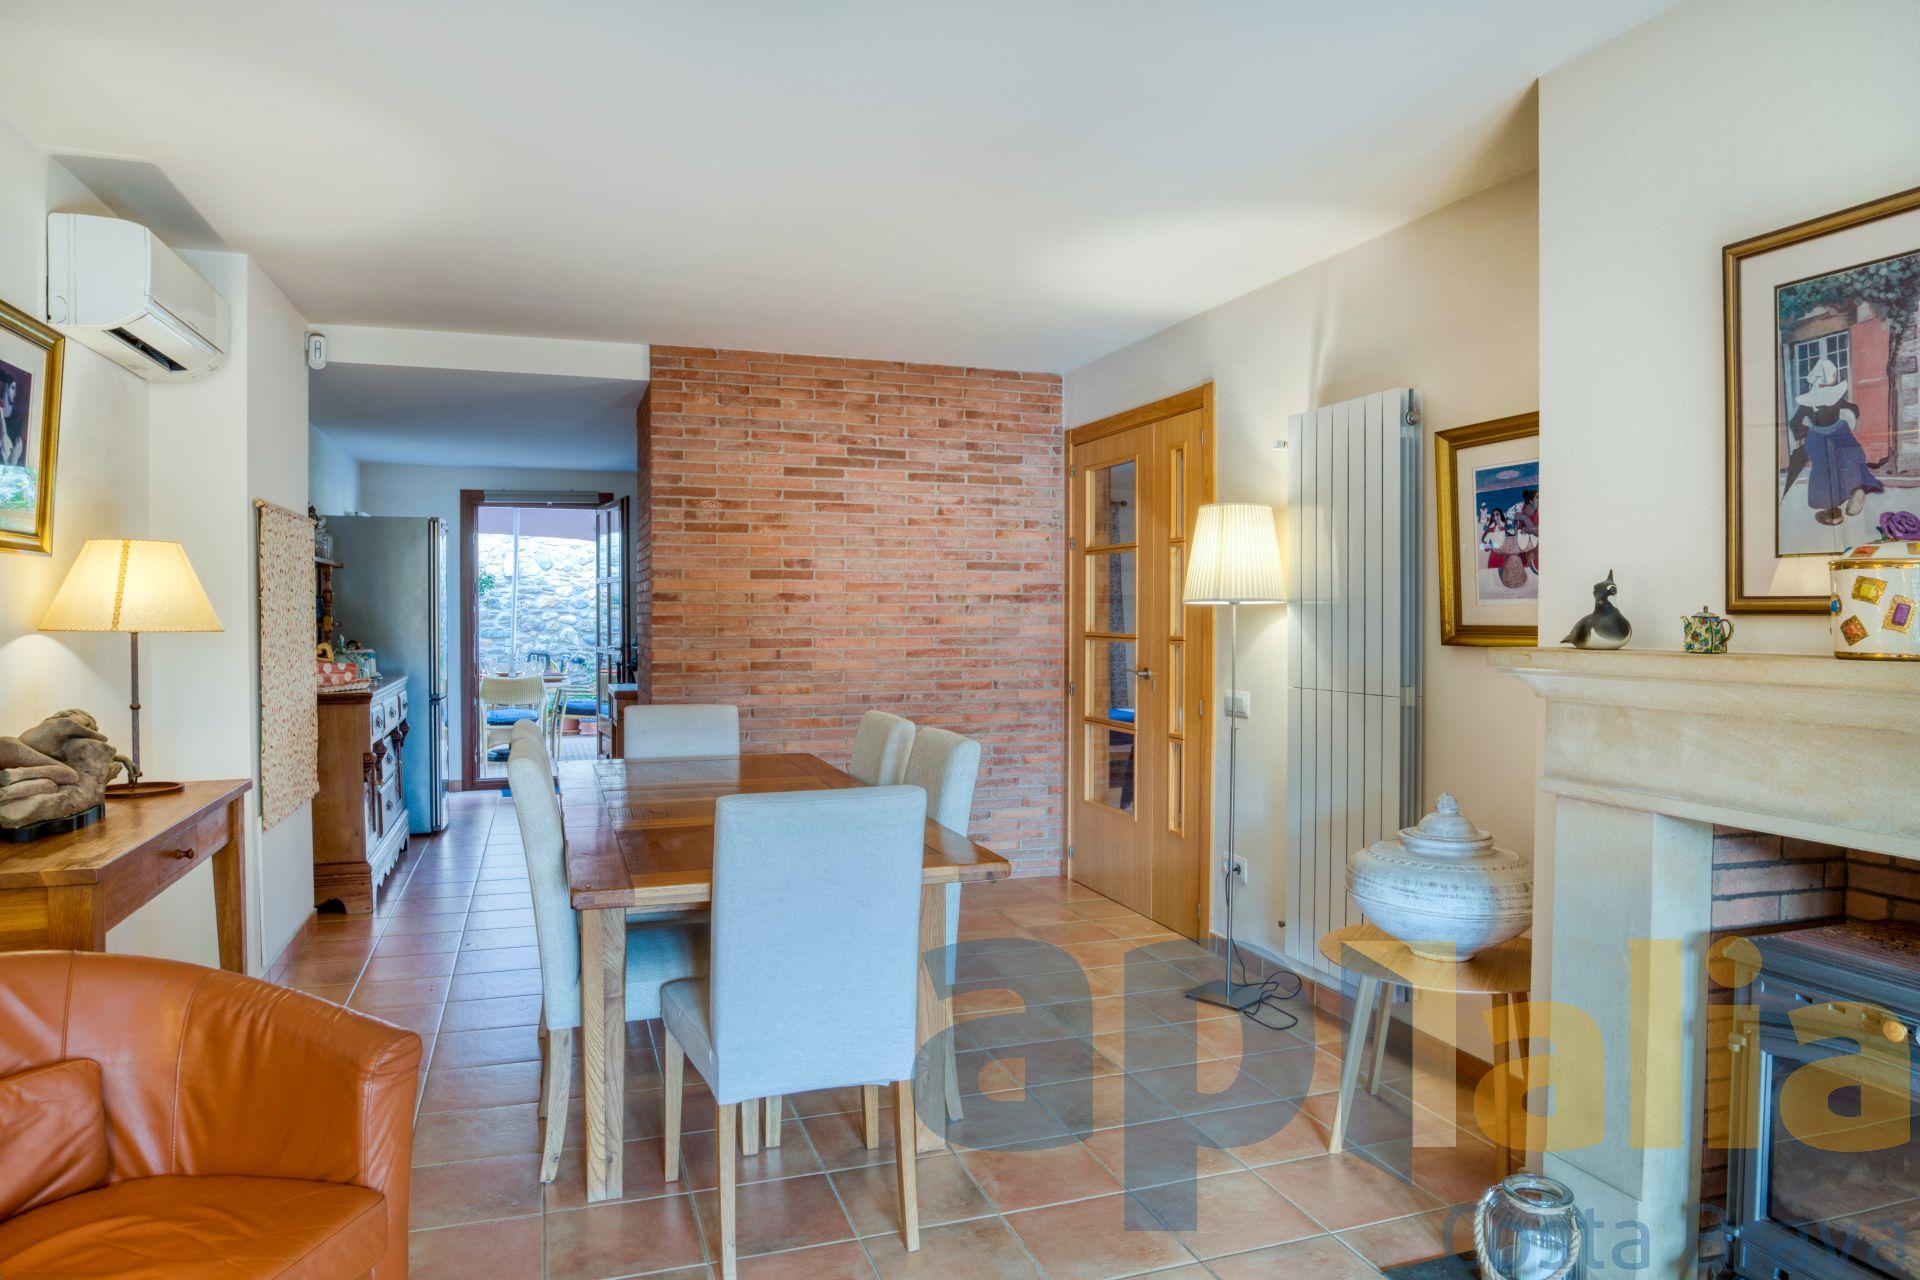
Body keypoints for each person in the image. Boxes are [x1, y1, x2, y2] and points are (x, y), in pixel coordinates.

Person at [1787, 358, 1881, 526]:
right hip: (1840, 433)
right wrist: (1848, 417)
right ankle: (1857, 489)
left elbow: (1794, 423)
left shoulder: (1810, 402)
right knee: (1850, 464)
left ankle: (1833, 513)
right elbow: (1855, 409)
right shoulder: (1836, 397)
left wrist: (1804, 432)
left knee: (1823, 474)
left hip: (1818, 438)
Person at [0, 371, 21, 468]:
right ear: (6, 387)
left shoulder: (16, 414)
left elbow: (17, 443)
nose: (15, 393)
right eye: (12, 388)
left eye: (15, 389)